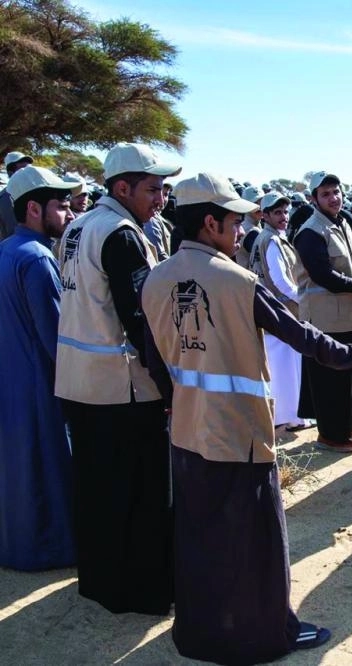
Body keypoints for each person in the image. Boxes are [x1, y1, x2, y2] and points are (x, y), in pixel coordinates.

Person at [142, 172, 352, 664]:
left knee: (200, 537)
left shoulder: (155, 278)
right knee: (258, 546)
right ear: (210, 223)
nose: (240, 232)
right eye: (233, 222)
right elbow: (307, 340)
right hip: (241, 435)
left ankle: (200, 631)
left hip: (188, 433)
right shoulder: (237, 281)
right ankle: (269, 632)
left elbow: (153, 361)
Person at [55, 142, 179, 614]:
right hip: (122, 388)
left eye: (164, 189)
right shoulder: (122, 234)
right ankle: (143, 591)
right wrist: (169, 386)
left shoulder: (78, 226)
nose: (161, 198)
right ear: (122, 187)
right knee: (141, 494)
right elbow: (140, 319)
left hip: (78, 382)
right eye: (153, 189)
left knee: (97, 490)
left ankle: (101, 581)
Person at [0, 167, 80, 571]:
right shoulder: (37, 258)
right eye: (62, 207)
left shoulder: (6, 251)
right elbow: (56, 338)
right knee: (47, 469)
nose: (68, 215)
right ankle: (51, 551)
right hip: (37, 385)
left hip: (10, 380)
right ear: (34, 208)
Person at [294, 171, 352, 450]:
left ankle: (351, 424)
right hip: (325, 317)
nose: (333, 198)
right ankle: (330, 435)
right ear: (314, 198)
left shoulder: (343, 225)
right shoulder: (310, 232)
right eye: (326, 193)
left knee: (349, 374)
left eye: (336, 192)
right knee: (331, 380)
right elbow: (322, 274)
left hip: (347, 314)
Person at [248, 191, 309, 429]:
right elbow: (281, 280)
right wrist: (301, 297)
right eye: (277, 212)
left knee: (281, 365)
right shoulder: (271, 240)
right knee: (285, 366)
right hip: (282, 310)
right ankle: (291, 418)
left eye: (285, 211)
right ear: (265, 215)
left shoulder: (267, 237)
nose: (284, 216)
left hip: (272, 310)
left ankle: (286, 416)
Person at [1, 151, 34, 239]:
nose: (29, 173)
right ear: (11, 173)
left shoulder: (32, 193)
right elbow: (13, 231)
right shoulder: (6, 198)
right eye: (23, 170)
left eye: (30, 169)